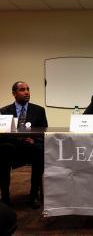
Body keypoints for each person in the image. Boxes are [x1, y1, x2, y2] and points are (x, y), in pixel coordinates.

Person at [0, 81, 48, 209]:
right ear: (14, 94)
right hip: (12, 148)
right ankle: (5, 197)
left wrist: (35, 141)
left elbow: (44, 134)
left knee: (39, 150)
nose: (26, 92)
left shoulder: (39, 111)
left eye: (28, 89)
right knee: (4, 150)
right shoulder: (3, 112)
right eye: (22, 90)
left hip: (31, 148)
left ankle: (34, 195)